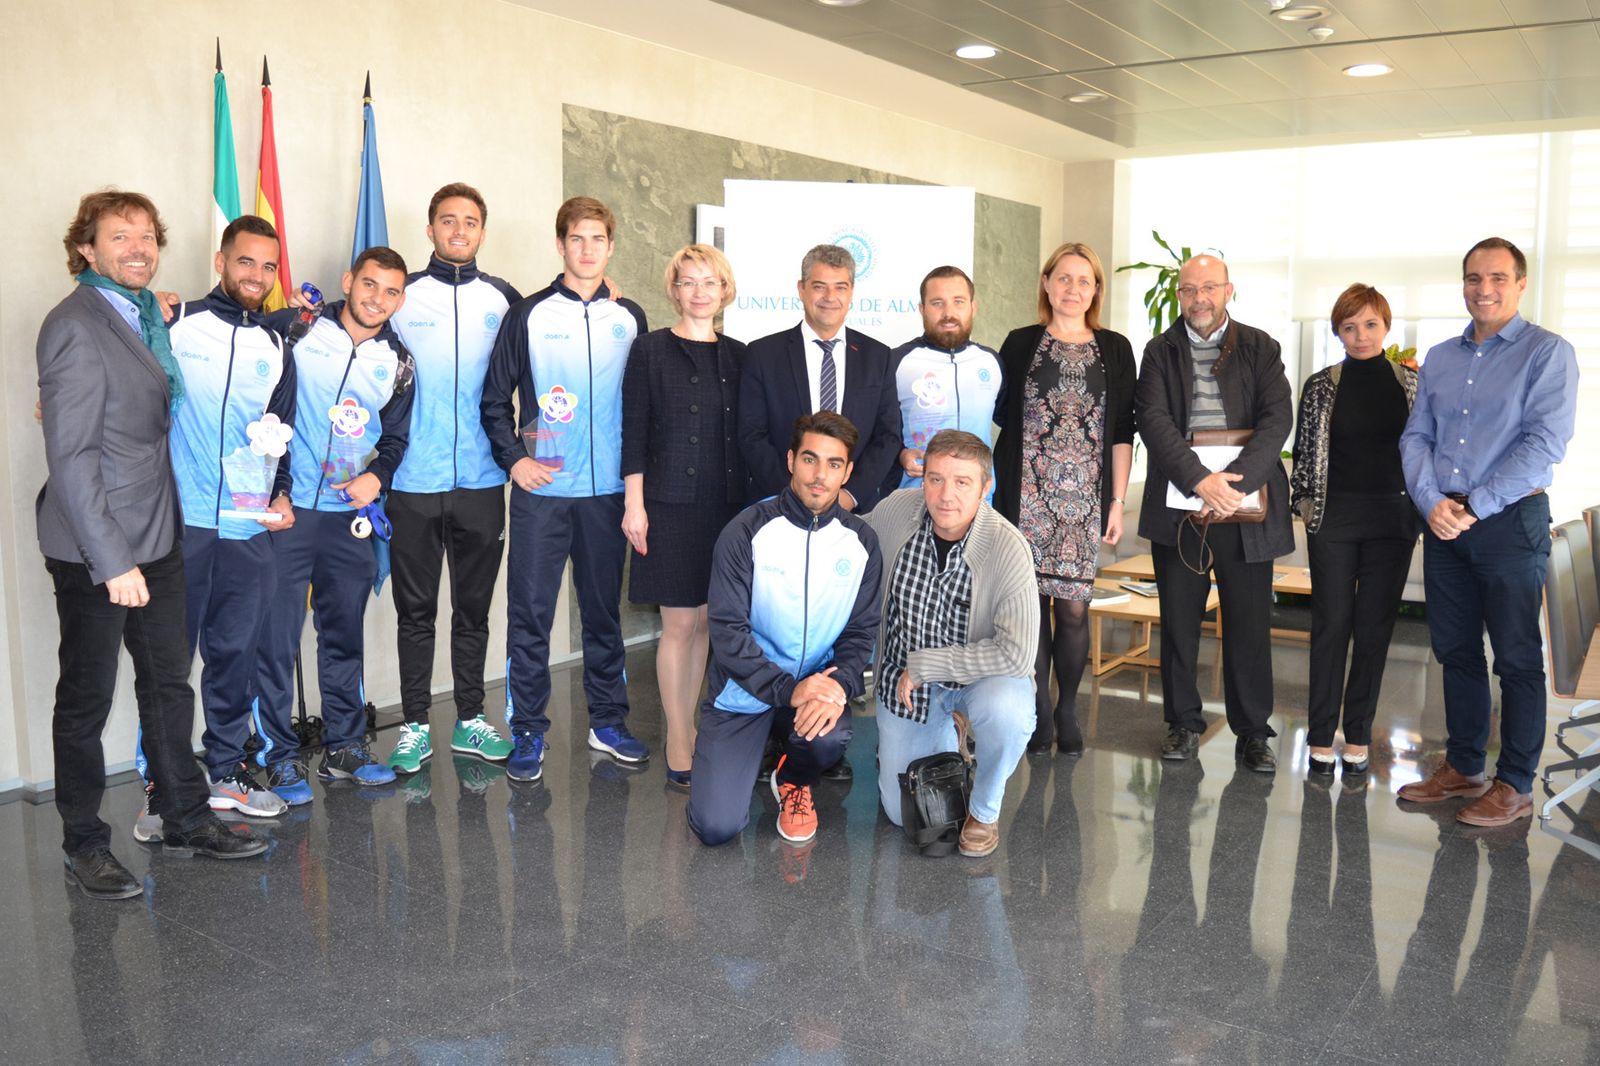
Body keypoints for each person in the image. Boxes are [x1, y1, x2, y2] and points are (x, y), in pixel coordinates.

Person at [39, 190, 267, 899]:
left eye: (147, 237)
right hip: (94, 545)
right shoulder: (74, 326)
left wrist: (156, 311)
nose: (137, 248)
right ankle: (84, 846)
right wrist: (114, 564)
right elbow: (71, 457)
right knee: (87, 696)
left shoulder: (141, 314)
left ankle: (185, 817)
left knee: (169, 683)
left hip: (159, 530)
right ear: (87, 249)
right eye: (119, 237)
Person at [1398, 237, 1578, 826]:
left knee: (1518, 657)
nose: (1484, 289)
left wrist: (1474, 505)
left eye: (1498, 278)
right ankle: (1465, 765)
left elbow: (1543, 444)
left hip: (1508, 522)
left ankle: (1516, 781)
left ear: (1520, 284)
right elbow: (1416, 437)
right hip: (1445, 523)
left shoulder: (1548, 353)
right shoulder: (1443, 357)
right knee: (1454, 651)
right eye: (1474, 278)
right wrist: (1431, 503)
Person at [481, 196, 649, 783]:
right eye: (576, 238)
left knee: (603, 614)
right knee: (530, 614)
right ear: (560, 245)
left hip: (606, 495)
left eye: (597, 239)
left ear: (610, 246)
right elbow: (494, 400)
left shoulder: (630, 317)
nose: (587, 249)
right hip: (544, 491)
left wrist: (635, 491)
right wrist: (515, 461)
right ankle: (528, 730)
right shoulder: (527, 314)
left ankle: (608, 723)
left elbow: (642, 406)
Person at [147, 214, 298, 830]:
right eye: (246, 262)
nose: (257, 276)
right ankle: (162, 787)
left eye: (268, 267)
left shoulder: (276, 346)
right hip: (179, 528)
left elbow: (279, 439)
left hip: (246, 528)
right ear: (221, 261)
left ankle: (227, 772)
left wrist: (281, 496)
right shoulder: (175, 325)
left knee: (234, 655)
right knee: (169, 663)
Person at [254, 246, 416, 801]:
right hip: (288, 511)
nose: (378, 299)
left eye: (392, 291)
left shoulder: (398, 361)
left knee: (342, 636)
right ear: (348, 281)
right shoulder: (297, 330)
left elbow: (394, 440)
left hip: (350, 517)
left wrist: (379, 478)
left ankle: (345, 748)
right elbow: (241, 336)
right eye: (369, 285)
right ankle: (276, 756)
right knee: (275, 640)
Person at [688, 412, 882, 847]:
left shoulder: (861, 542)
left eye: (834, 465)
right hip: (744, 691)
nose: (820, 475)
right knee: (715, 829)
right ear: (791, 460)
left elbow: (860, 633)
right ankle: (743, 751)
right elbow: (728, 633)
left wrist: (838, 687)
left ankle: (792, 777)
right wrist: (785, 690)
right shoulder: (746, 532)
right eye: (810, 460)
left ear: (848, 472)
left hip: (814, 689)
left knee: (829, 738)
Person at [1135, 254, 1293, 772]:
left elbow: (1277, 419)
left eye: (1209, 288)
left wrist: (1235, 485)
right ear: (1179, 295)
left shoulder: (1260, 347)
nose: (1198, 298)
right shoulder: (1160, 351)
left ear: (1229, 290)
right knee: (1179, 622)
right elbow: (1152, 420)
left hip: (1245, 510)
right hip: (1182, 506)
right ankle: (1182, 724)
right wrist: (1200, 480)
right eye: (1188, 290)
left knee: (1249, 625)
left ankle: (1252, 733)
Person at [385, 183, 521, 776]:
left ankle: (470, 718)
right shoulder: (401, 294)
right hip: (412, 480)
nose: (458, 230)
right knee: (415, 612)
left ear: (482, 231)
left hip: (484, 480)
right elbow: (343, 333)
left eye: (469, 221)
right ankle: (415, 725)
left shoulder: (507, 301)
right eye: (447, 220)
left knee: (473, 610)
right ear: (431, 228)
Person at [991, 242, 1135, 758]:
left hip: (1083, 502)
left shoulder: (1115, 348)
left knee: (1072, 609)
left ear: (1096, 290)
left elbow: (1122, 431)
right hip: (1026, 495)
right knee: (1031, 608)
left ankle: (1068, 706)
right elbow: (1002, 416)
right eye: (1064, 278)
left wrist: (1116, 501)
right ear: (1047, 283)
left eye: (1085, 280)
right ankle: (1037, 711)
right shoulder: (1020, 342)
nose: (1074, 288)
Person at [866, 430, 1038, 857]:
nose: (946, 495)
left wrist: (929, 665)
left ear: (986, 486)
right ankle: (945, 735)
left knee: (1009, 711)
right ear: (921, 480)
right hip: (907, 689)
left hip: (975, 679)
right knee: (899, 811)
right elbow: (848, 544)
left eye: (962, 482)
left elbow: (1017, 654)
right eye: (935, 479)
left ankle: (984, 809)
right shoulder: (895, 513)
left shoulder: (1007, 547)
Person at [621, 244, 746, 789]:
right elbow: (634, 430)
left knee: (706, 623)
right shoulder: (648, 350)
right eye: (688, 282)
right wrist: (634, 503)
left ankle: (693, 724)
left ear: (724, 291)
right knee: (678, 623)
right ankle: (677, 735)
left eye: (710, 282)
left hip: (727, 507)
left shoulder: (741, 356)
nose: (699, 291)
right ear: (674, 290)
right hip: (667, 504)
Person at [1289, 283, 1420, 779]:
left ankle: (1359, 733)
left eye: (1370, 324)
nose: (1360, 335)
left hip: (1393, 522)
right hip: (1335, 521)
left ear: (1386, 327)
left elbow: (1426, 451)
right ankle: (1320, 735)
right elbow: (1303, 455)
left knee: (1373, 632)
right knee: (1330, 627)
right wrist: (1305, 507)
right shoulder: (1321, 385)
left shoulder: (1412, 384)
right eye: (1349, 326)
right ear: (1337, 331)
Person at [739, 243, 901, 513]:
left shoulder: (878, 357)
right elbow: (752, 435)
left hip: (854, 511)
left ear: (851, 293)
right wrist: (793, 496)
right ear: (801, 289)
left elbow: (888, 437)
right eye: (819, 286)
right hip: (779, 507)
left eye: (840, 287)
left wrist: (850, 495)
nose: (830, 296)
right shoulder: (763, 354)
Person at [884, 266, 1003, 496]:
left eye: (958, 301)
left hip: (979, 502)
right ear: (922, 309)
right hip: (913, 500)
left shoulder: (991, 362)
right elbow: (878, 430)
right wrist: (900, 453)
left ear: (973, 307)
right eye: (937, 303)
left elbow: (1011, 426)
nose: (948, 312)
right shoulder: (896, 362)